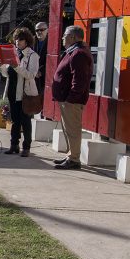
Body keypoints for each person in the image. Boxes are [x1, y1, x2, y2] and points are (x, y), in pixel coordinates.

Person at [51, 25, 93, 170]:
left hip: (72, 101)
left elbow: (79, 79)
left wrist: (71, 98)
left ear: (73, 37)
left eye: (65, 35)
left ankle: (74, 159)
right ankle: (71, 155)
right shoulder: (72, 52)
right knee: (68, 129)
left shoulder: (79, 53)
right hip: (67, 100)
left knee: (73, 130)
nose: (63, 38)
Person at [0, 27, 40, 157]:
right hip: (12, 91)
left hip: (25, 93)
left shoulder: (33, 55)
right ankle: (14, 145)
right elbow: (7, 74)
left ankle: (26, 147)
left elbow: (31, 75)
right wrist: (2, 66)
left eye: (20, 39)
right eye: (16, 39)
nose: (17, 42)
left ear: (27, 41)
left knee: (25, 121)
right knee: (15, 120)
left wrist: (16, 67)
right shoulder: (14, 53)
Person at [33, 22, 49, 92]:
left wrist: (41, 71)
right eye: (37, 30)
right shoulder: (31, 41)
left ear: (47, 30)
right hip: (31, 76)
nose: (39, 32)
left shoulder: (52, 42)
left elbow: (52, 61)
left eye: (42, 29)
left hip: (45, 78)